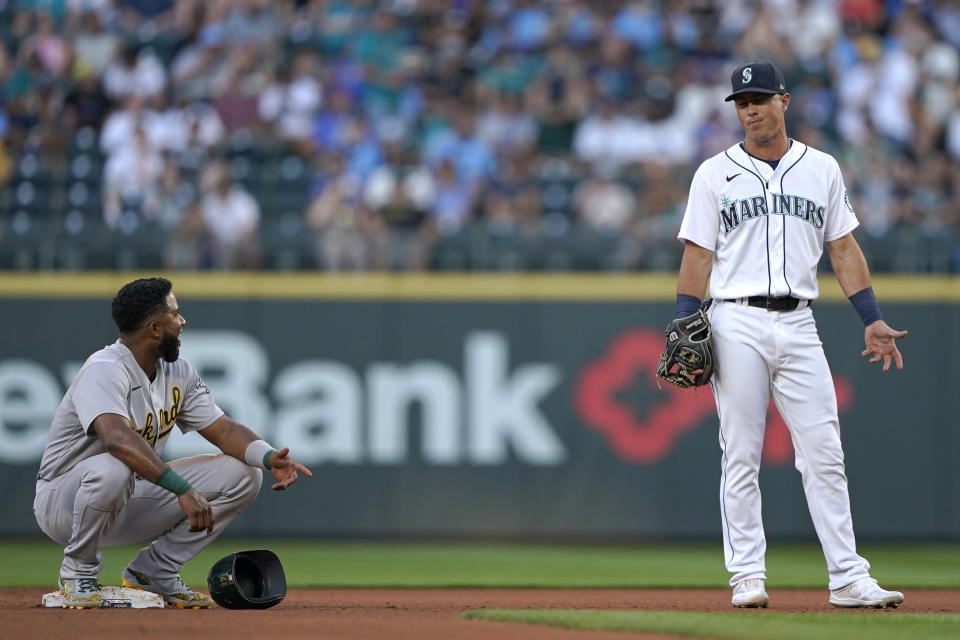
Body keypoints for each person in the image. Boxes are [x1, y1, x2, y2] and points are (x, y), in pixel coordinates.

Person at [674, 61, 907, 609]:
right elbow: (697, 253)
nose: (749, 109)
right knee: (742, 453)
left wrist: (871, 317)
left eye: (758, 98)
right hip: (736, 319)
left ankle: (849, 578)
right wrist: (686, 314)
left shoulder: (821, 168)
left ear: (785, 101)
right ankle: (747, 576)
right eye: (740, 101)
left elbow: (843, 248)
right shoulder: (714, 172)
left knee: (825, 452)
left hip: (800, 321)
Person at [34, 277, 312, 608]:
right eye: (175, 313)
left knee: (244, 474)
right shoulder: (105, 369)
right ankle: (77, 573)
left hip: (127, 495)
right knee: (115, 464)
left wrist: (267, 458)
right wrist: (182, 490)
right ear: (154, 328)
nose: (183, 321)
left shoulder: (178, 371)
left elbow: (222, 430)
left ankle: (154, 571)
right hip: (63, 502)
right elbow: (116, 438)